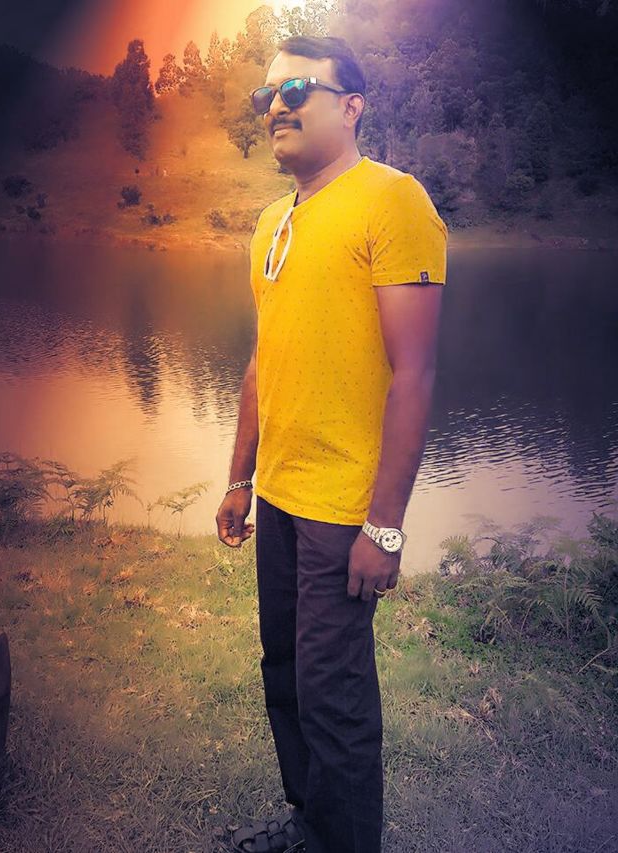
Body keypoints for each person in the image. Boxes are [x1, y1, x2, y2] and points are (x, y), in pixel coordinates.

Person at [215, 34, 448, 853]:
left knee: (333, 696)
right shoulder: (270, 223)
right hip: (278, 495)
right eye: (266, 96)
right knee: (284, 674)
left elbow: (414, 374)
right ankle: (308, 824)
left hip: (343, 507)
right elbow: (264, 357)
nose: (274, 106)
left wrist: (384, 526)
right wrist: (239, 478)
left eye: (296, 90)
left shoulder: (393, 200)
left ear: (351, 105)